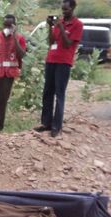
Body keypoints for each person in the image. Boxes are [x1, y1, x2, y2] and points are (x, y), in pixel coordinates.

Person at [35, 0, 83, 138]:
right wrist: (50, 27)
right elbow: (51, 42)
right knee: (47, 92)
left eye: (66, 10)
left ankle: (56, 126)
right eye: (62, 10)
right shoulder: (59, 22)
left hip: (64, 62)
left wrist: (61, 27)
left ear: (73, 8)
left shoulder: (77, 25)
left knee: (59, 94)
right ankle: (46, 124)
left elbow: (68, 44)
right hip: (51, 60)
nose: (64, 12)